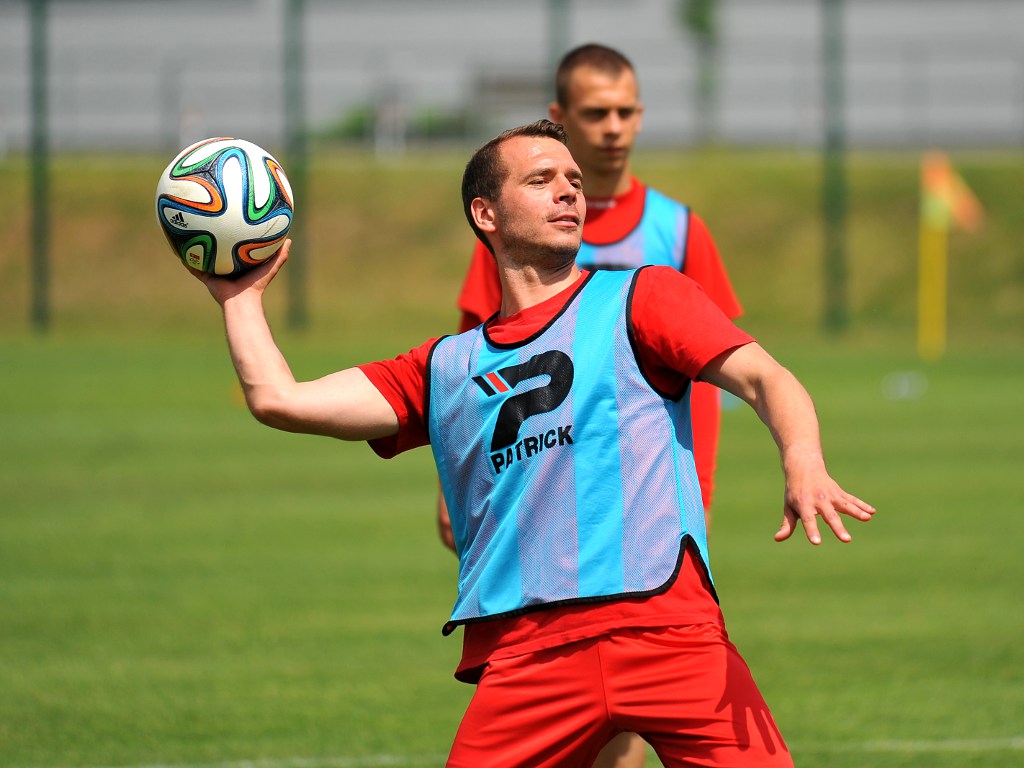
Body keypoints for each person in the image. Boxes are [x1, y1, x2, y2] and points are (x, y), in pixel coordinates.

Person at [188, 119, 875, 767]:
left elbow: (764, 377)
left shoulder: (644, 298)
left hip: (669, 634)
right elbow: (279, 399)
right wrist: (238, 298)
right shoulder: (443, 367)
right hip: (526, 657)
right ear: (485, 213)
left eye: (573, 180)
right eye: (541, 180)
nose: (569, 191)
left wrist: (803, 459)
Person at [442, 47, 742, 766]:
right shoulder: (516, 229)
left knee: (634, 697)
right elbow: (474, 369)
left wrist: (697, 487)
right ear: (560, 117)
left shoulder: (676, 230)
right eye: (595, 112)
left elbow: (718, 367)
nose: (613, 127)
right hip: (541, 487)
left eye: (625, 111)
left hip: (649, 501)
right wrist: (453, 491)